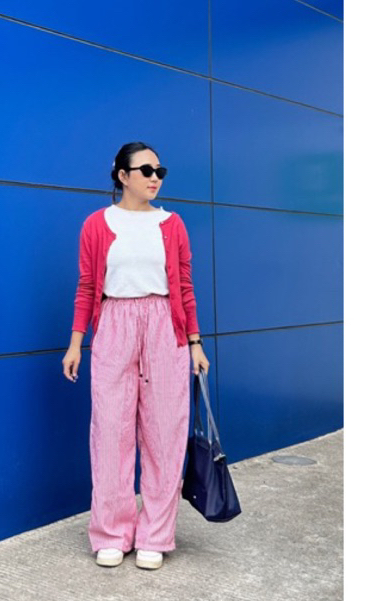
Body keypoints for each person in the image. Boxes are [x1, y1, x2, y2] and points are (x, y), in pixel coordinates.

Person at [62, 141, 209, 570]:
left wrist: (195, 342)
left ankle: (155, 534)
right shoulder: (97, 224)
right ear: (122, 176)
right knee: (110, 432)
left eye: (160, 171)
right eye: (146, 170)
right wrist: (75, 342)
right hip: (114, 325)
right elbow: (88, 286)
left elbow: (185, 285)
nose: (155, 178)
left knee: (164, 433)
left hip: (165, 326)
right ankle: (112, 531)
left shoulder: (172, 224)